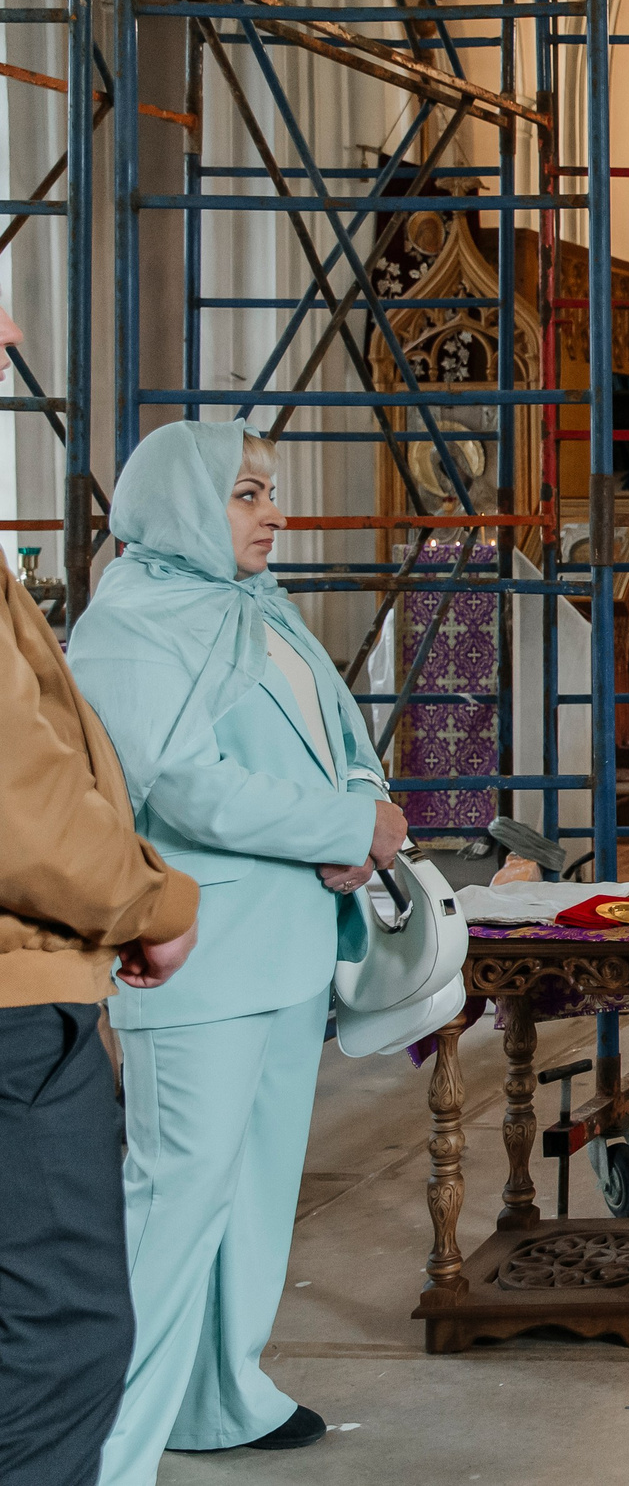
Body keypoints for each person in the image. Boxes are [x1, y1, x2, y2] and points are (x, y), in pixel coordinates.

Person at [67, 420, 408, 1479]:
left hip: (290, 942)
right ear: (181, 503)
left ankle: (222, 1393)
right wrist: (342, 831)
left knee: (255, 1191)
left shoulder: (258, 610)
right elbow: (177, 784)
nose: (277, 514)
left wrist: (366, 802)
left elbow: (340, 742)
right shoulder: (131, 625)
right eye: (250, 494)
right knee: (174, 1203)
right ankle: (103, 1452)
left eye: (271, 493)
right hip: (200, 950)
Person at [0, 329, 203, 1486]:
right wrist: (145, 899)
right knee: (67, 1335)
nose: (13, 329)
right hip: (20, 994)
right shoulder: (136, 616)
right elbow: (18, 791)